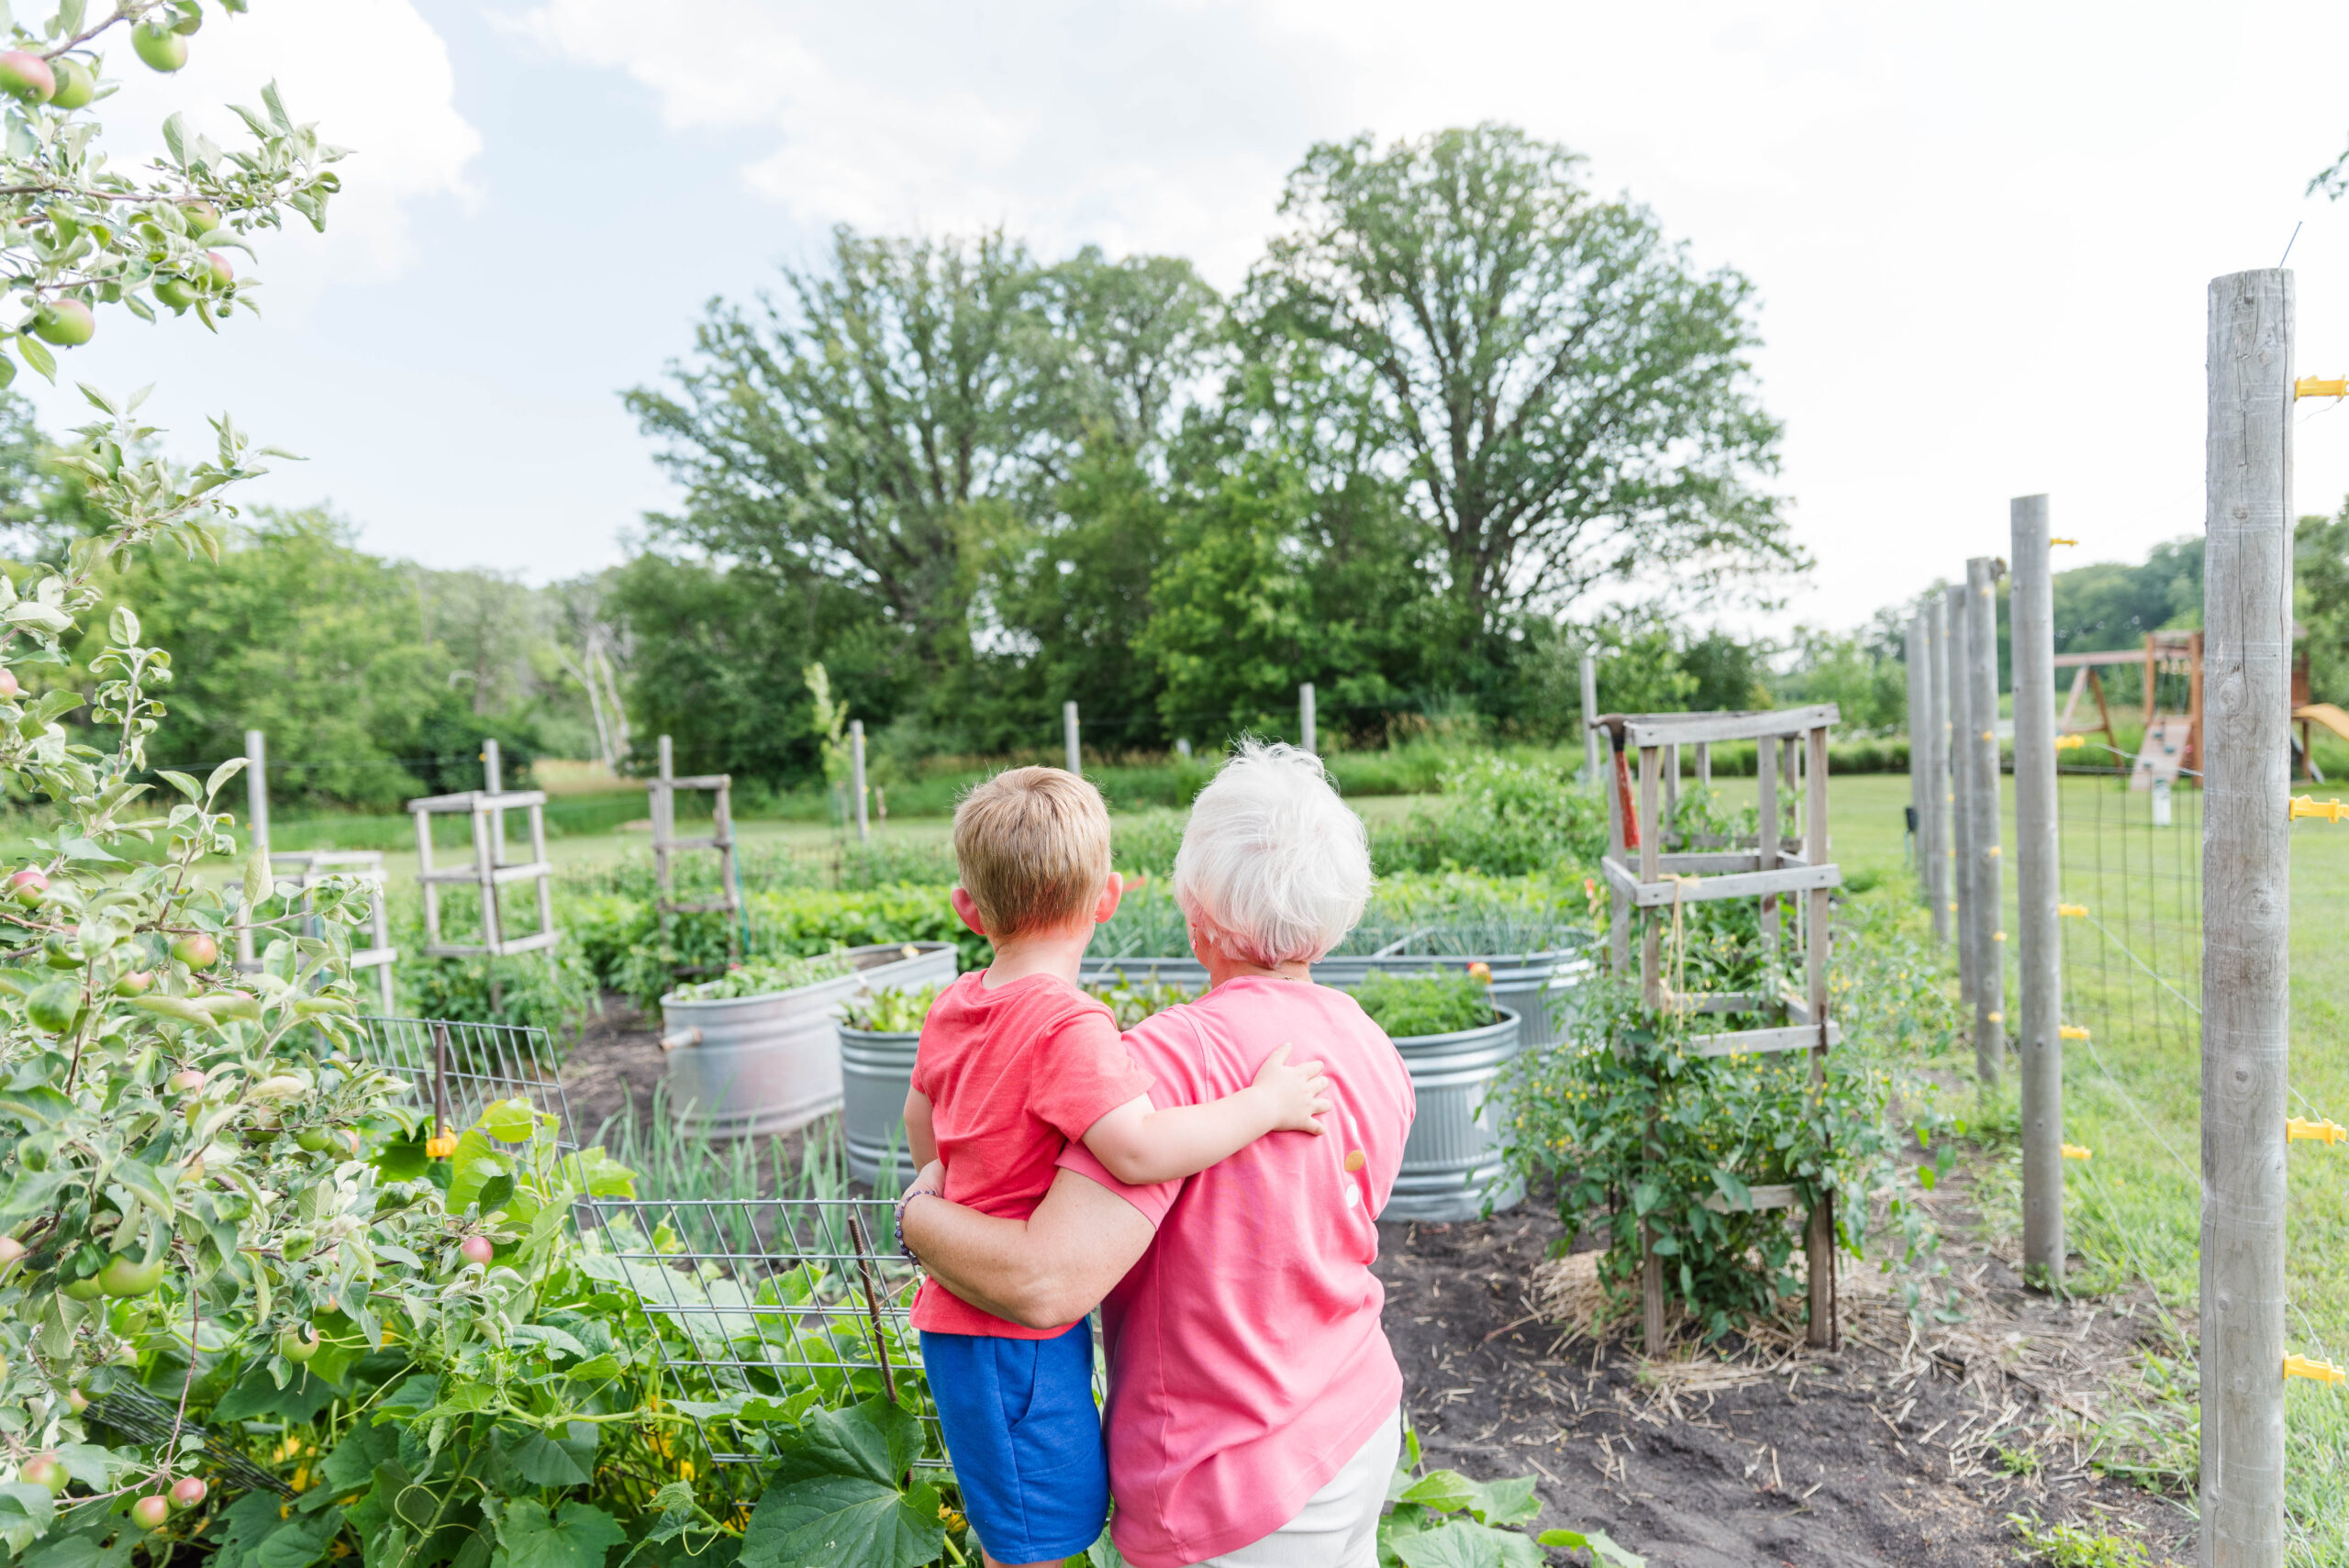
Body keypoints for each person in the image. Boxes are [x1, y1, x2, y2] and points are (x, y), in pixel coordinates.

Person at [900, 741, 1415, 1568]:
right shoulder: (1371, 1045)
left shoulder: (1169, 1062)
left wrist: (917, 1212)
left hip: (1233, 1482)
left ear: (1198, 907)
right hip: (1355, 1424)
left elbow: (1043, 1281)